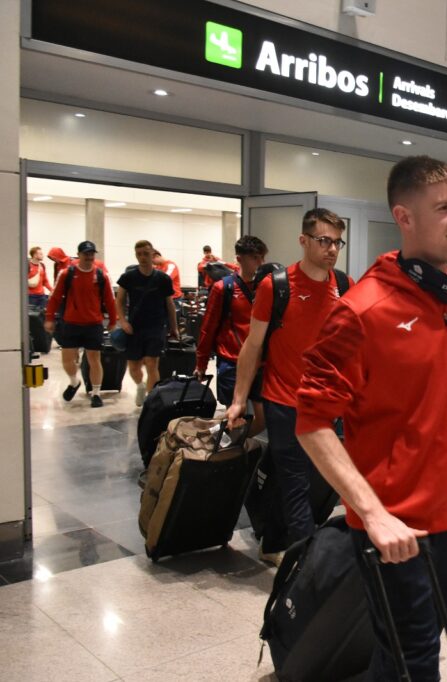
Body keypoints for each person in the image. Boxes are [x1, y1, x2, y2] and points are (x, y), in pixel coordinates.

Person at [288, 156, 447, 681]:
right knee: (416, 658)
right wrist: (373, 513)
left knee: (407, 647)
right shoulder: (361, 310)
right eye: (443, 208)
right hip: (395, 524)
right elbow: (311, 423)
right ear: (404, 217)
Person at [225, 209, 353, 563]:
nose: (331, 249)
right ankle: (307, 567)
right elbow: (252, 346)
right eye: (323, 240)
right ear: (303, 240)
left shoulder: (344, 285)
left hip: (328, 403)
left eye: (337, 242)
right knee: (296, 480)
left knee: (316, 480)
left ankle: (272, 541)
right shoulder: (276, 286)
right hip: (285, 401)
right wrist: (239, 401)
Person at [195, 235, 268, 435]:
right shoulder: (223, 288)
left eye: (261, 257)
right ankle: (227, 453)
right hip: (231, 360)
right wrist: (201, 363)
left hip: (260, 363)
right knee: (234, 418)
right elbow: (208, 327)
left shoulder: (267, 287)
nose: (259, 262)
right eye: (254, 257)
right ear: (240, 258)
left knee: (262, 420)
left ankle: (226, 444)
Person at [43, 241, 118, 408]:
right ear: (79, 254)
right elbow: (55, 297)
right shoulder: (66, 274)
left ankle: (96, 393)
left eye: (92, 254)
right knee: (67, 359)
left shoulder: (101, 276)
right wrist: (49, 318)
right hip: (71, 322)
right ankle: (74, 381)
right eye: (86, 254)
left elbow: (109, 300)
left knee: (94, 359)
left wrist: (113, 320)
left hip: (93, 324)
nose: (89, 257)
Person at [116, 240, 177, 407]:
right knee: (133, 366)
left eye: (146, 254)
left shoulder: (163, 279)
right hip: (134, 327)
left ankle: (151, 401)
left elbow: (169, 304)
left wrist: (174, 327)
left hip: (156, 326)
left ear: (153, 254)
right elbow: (119, 300)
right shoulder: (128, 277)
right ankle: (140, 386)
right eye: (139, 254)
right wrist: (122, 321)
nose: (142, 257)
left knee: (152, 363)